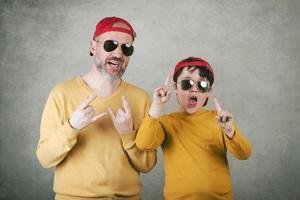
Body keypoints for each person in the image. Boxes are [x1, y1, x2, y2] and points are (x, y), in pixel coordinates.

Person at [36, 16, 156, 200]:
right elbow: (45, 158)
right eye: (110, 45)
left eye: (126, 48)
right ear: (93, 47)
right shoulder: (61, 93)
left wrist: (127, 134)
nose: (118, 54)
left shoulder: (141, 98)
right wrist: (72, 127)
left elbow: (147, 165)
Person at [136, 56, 252, 200]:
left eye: (202, 85)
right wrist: (157, 106)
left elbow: (244, 154)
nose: (194, 90)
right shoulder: (166, 122)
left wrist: (230, 132)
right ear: (175, 87)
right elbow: (143, 143)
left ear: (208, 91)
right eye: (186, 84)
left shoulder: (220, 120)